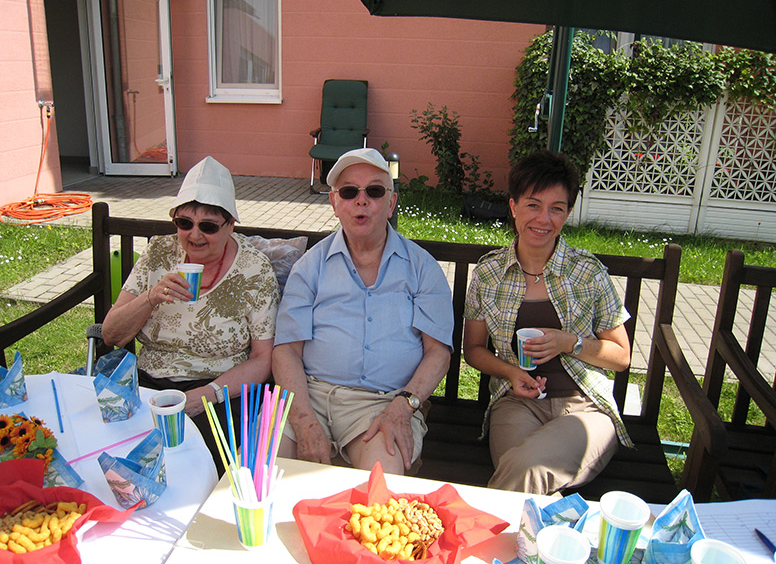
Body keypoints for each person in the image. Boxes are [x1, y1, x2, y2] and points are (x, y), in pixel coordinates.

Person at [272, 148, 454, 474]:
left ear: (391, 203)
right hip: (308, 394)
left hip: (384, 403)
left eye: (374, 190)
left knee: (379, 495)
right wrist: (302, 417)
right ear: (334, 203)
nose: (361, 200)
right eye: (349, 191)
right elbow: (286, 350)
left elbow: (438, 352)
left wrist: (404, 406)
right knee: (257, 472)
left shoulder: (422, 268)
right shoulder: (310, 267)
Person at [463, 150, 632, 495]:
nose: (543, 218)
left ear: (568, 213)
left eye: (557, 208)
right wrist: (511, 373)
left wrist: (570, 342)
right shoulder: (489, 274)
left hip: (584, 407)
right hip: (517, 403)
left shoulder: (588, 273)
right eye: (533, 205)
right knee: (530, 473)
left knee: (528, 467)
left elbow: (621, 356)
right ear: (513, 207)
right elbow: (473, 350)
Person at [102, 156, 280, 474]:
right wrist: (150, 297)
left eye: (208, 226)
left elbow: (263, 358)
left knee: (195, 471)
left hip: (219, 391)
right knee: (119, 460)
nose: (194, 235)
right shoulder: (158, 253)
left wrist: (206, 396)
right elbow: (111, 334)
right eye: (185, 223)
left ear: (231, 225)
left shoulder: (254, 270)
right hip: (148, 385)